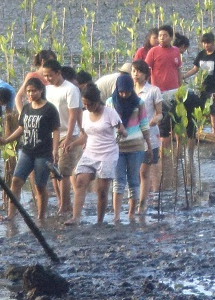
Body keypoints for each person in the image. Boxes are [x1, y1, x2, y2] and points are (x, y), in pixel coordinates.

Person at [0, 76, 60, 221]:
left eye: (34, 91)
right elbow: (21, 128)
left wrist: (55, 150)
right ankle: (11, 214)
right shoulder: (26, 108)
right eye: (28, 91)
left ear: (41, 91)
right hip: (27, 151)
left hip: (43, 153)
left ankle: (41, 216)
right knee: (16, 181)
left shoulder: (49, 109)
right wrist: (7, 140)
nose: (31, 94)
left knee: (40, 186)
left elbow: (56, 130)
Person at [65, 83, 124, 226]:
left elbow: (122, 129)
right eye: (84, 104)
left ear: (97, 102)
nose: (87, 107)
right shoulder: (85, 115)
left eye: (89, 104)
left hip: (107, 154)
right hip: (90, 153)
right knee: (80, 181)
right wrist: (73, 144)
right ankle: (75, 217)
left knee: (102, 190)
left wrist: (122, 133)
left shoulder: (110, 113)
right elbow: (85, 136)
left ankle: (99, 221)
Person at [40, 58, 82, 215]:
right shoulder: (47, 89)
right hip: (51, 135)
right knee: (53, 170)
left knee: (64, 172)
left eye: (50, 75)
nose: (47, 79)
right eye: (45, 76)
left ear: (58, 73)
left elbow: (73, 115)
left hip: (66, 133)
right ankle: (61, 202)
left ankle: (65, 205)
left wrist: (70, 137)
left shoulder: (70, 89)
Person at [109, 73, 152, 223]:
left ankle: (131, 213)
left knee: (133, 180)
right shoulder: (110, 103)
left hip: (136, 147)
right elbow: (107, 124)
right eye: (121, 91)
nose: (124, 94)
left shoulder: (138, 103)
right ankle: (116, 215)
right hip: (117, 148)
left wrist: (149, 145)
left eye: (127, 91)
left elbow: (144, 124)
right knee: (118, 181)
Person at [131, 60, 163, 212]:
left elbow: (159, 113)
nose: (136, 74)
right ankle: (134, 201)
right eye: (133, 71)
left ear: (146, 74)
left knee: (144, 172)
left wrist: (155, 120)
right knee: (133, 173)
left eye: (139, 71)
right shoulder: (128, 91)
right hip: (131, 138)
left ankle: (142, 204)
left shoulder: (153, 91)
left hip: (149, 136)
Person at [185, 32, 215, 133]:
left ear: (213, 43)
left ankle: (214, 132)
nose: (206, 45)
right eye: (204, 43)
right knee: (204, 110)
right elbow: (195, 69)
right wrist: (184, 76)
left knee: (213, 111)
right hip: (204, 87)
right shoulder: (201, 54)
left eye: (208, 43)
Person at [145, 24, 182, 94]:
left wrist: (180, 87)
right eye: (160, 36)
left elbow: (179, 69)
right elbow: (146, 70)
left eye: (165, 36)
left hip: (174, 90)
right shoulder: (153, 51)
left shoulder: (176, 50)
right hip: (158, 91)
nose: (162, 38)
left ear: (171, 37)